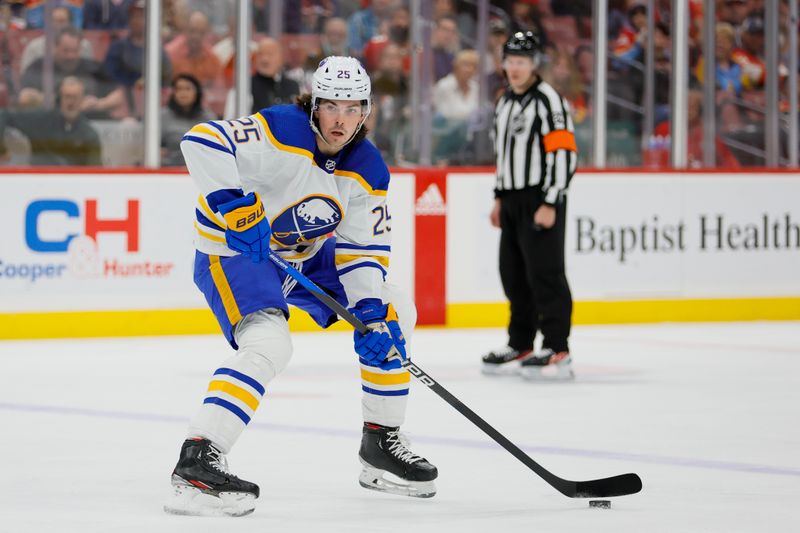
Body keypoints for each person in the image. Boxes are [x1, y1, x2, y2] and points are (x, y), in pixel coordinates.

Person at [164, 56, 437, 517]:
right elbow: (202, 140)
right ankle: (197, 460)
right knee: (270, 343)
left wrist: (369, 308)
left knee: (394, 311)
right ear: (314, 103)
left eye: (353, 109)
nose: (341, 120)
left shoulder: (368, 168)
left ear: (367, 111)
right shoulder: (280, 130)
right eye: (332, 106)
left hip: (300, 258)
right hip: (235, 254)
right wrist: (233, 206)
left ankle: (381, 443)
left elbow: (362, 251)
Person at [481, 31, 577, 381]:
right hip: (512, 199)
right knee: (513, 273)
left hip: (540, 197)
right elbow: (503, 155)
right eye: (511, 61)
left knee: (546, 273)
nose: (516, 68)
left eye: (522, 61)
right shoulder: (504, 101)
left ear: (534, 64)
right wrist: (499, 196)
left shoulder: (549, 100)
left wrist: (551, 200)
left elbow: (564, 153)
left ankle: (556, 345)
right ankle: (520, 341)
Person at [0, 76, 101, 166]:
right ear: (60, 99)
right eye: (67, 97)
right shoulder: (41, 120)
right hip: (37, 181)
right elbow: (3, 115)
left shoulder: (89, 134)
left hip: (71, 184)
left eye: (75, 97)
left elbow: (96, 173)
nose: (71, 102)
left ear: (83, 100)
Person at [161, 73, 214, 166]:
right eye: (179, 89)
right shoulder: (162, 116)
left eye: (188, 89)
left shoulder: (208, 118)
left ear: (197, 92)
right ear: (173, 93)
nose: (183, 93)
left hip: (201, 169)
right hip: (169, 170)